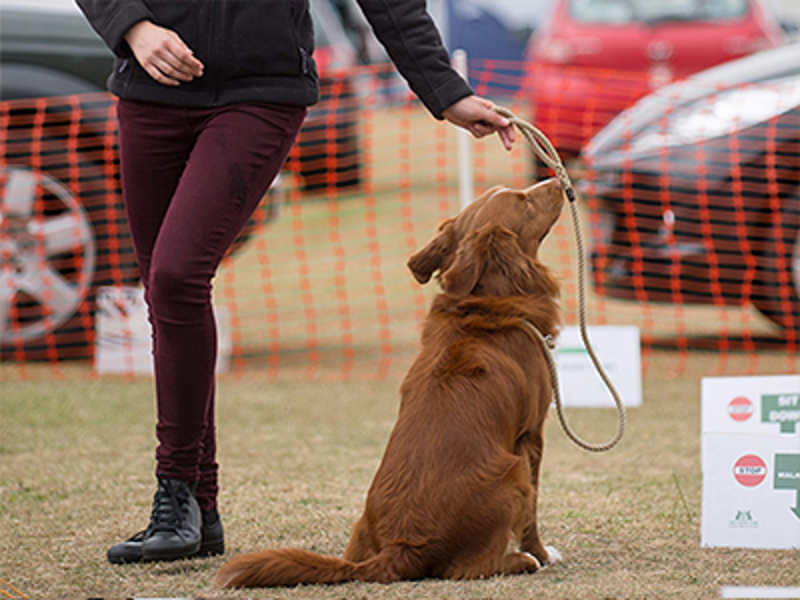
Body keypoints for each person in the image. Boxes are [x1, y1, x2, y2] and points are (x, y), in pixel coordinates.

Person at [75, 0, 517, 564]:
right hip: (149, 88)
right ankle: (199, 509)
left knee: (177, 275)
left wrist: (444, 90)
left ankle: (175, 492)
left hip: (260, 93)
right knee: (167, 295)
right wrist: (133, 28)